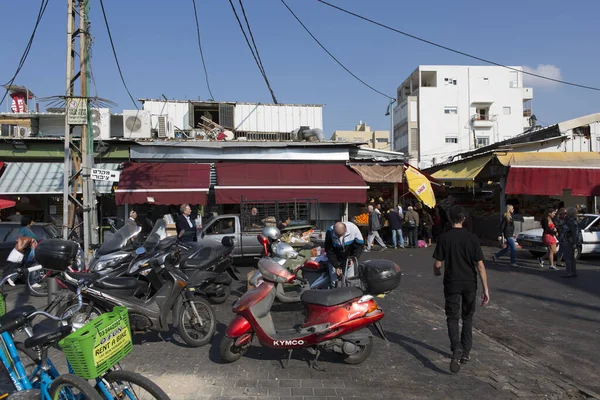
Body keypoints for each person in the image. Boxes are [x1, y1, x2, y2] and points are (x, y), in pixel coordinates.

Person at [433, 205, 490, 374]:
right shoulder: (472, 238)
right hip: (469, 282)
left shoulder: (444, 238)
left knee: (452, 317)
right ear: (464, 219)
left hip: (452, 282)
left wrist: (436, 272)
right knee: (467, 317)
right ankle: (465, 352)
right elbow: (480, 265)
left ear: (450, 219)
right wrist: (485, 289)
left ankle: (456, 347)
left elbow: (438, 263)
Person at [324, 221, 364, 288]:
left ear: (345, 229)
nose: (339, 238)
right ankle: (334, 293)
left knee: (349, 281)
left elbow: (359, 246)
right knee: (334, 282)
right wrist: (336, 265)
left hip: (349, 257)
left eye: (341, 235)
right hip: (336, 257)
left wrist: (353, 258)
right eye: (337, 236)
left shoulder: (353, 228)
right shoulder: (329, 232)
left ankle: (349, 295)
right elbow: (329, 251)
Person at [562, 207, 580, 278]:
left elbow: (573, 232)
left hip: (568, 241)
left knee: (567, 257)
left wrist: (574, 243)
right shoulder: (575, 221)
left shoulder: (570, 221)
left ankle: (569, 272)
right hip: (572, 241)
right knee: (572, 257)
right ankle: (573, 271)